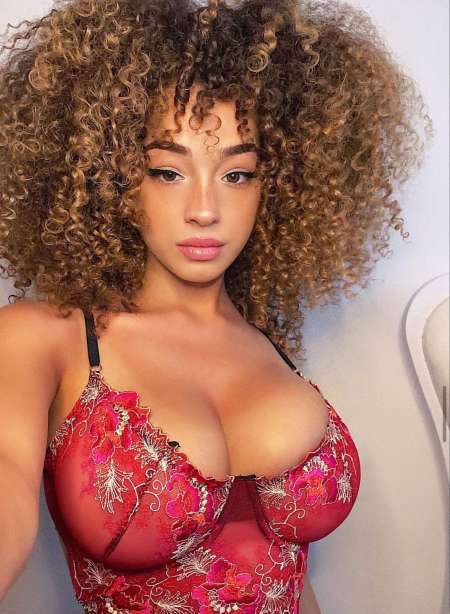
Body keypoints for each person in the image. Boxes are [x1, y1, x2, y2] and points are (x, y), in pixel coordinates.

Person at [0, 0, 432, 612]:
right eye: (166, 172)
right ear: (111, 177)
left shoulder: (265, 340)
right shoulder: (46, 338)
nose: (205, 209)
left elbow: (288, 576)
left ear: (277, 185)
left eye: (237, 175)